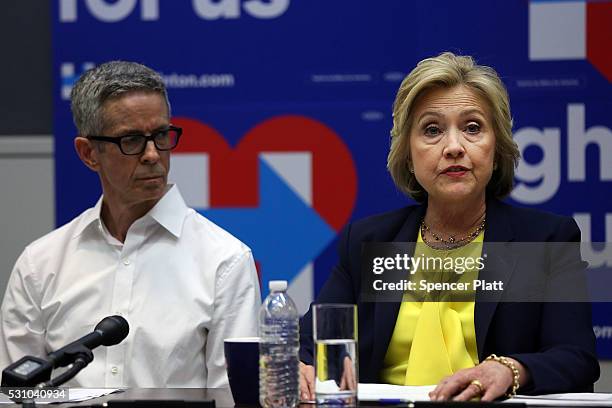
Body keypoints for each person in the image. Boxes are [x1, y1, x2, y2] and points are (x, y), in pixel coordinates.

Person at [298, 52, 599, 401]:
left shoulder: (544, 240)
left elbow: (576, 359)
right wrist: (303, 363)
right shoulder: (368, 242)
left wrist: (510, 369)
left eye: (472, 128)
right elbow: (309, 342)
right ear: (408, 155)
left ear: (496, 146)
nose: (454, 147)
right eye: (432, 130)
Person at [0, 61, 261, 387]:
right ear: (88, 154)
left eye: (161, 135)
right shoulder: (40, 265)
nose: (152, 154)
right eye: (132, 140)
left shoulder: (224, 261)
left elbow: (233, 398)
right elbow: (15, 394)